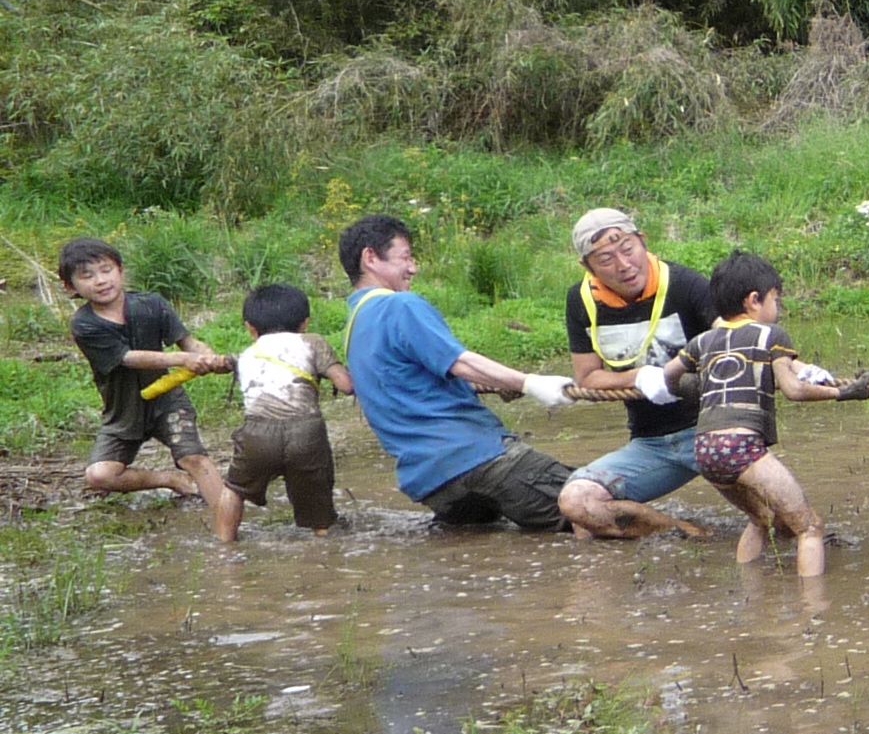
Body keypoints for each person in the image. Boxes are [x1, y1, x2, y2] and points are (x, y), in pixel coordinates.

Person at [333, 211, 586, 528]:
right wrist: (530, 383)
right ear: (370, 258)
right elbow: (460, 362)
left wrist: (498, 383)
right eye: (406, 257)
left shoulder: (354, 325)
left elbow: (412, 383)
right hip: (481, 458)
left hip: (435, 485)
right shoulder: (399, 305)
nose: (413, 268)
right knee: (600, 505)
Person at [670, 252, 869, 575]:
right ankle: (812, 610)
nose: (777, 308)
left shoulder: (702, 342)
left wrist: (694, 386)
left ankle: (750, 594)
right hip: (741, 447)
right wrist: (843, 392)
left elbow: (670, 377)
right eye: (776, 299)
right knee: (809, 526)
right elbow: (793, 389)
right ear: (754, 300)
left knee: (760, 518)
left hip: (704, 450)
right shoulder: (771, 336)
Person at [58, 237, 242, 537]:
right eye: (86, 275)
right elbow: (130, 358)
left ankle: (230, 530)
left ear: (120, 270)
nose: (100, 281)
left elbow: (188, 340)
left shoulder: (152, 304)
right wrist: (184, 358)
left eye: (106, 270)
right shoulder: (84, 325)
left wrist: (205, 354)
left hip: (167, 400)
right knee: (100, 475)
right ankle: (170, 479)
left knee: (194, 458)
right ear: (71, 287)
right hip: (123, 410)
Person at [557, 207, 717, 540]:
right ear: (587, 267)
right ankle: (684, 534)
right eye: (605, 259)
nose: (623, 264)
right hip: (652, 444)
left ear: (642, 242)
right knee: (579, 506)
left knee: (781, 520)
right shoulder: (582, 301)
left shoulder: (684, 284)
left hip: (714, 431)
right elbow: (588, 378)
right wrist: (640, 375)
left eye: (627, 248)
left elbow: (734, 338)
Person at [223, 283, 350, 539]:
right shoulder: (312, 342)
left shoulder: (246, 354)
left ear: (250, 327)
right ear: (305, 323)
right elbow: (346, 385)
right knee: (317, 497)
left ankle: (224, 546)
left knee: (234, 489)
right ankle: (322, 542)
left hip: (257, 433)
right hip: (306, 432)